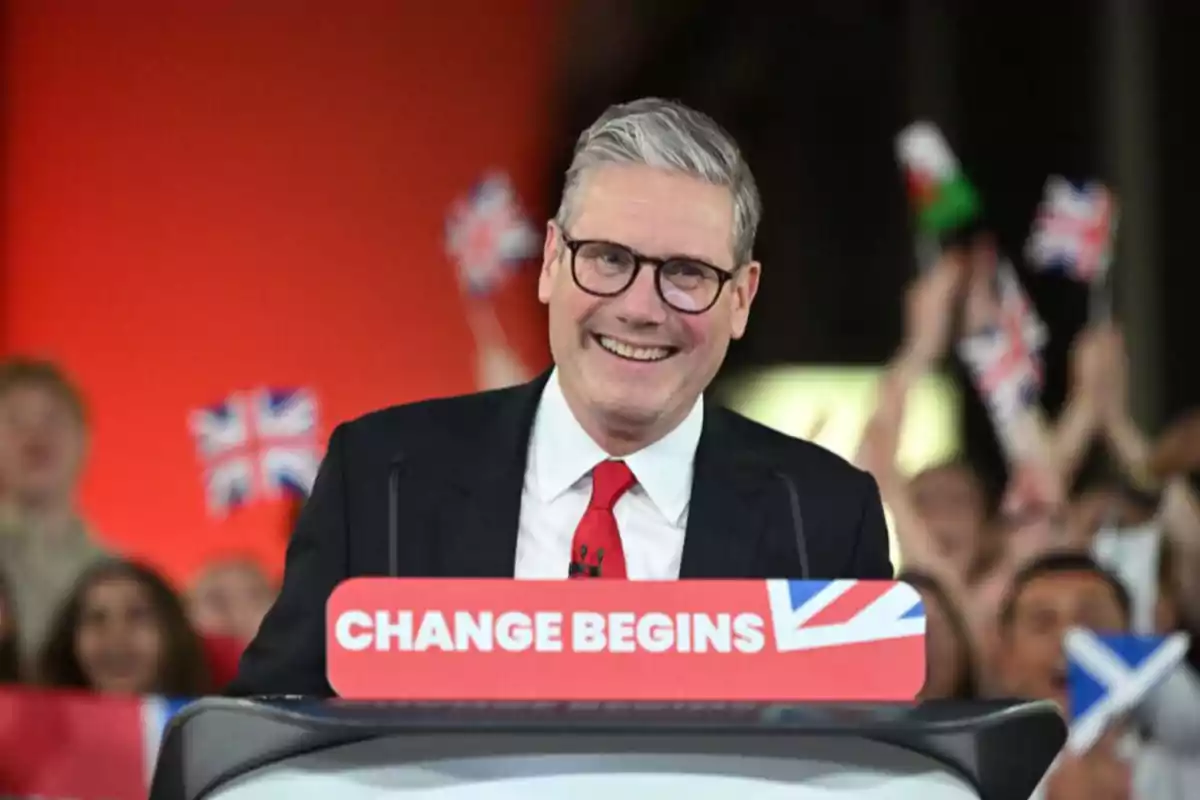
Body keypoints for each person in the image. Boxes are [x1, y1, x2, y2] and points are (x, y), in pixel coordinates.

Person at [230, 97, 892, 697]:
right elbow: (266, 734)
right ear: (551, 260)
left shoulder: (826, 518)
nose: (638, 307)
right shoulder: (381, 479)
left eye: (686, 273)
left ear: (742, 297)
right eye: (607, 258)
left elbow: (867, 773)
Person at [0, 360, 108, 670]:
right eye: (15, 420)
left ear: (84, 439)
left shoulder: (117, 575)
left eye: (53, 418)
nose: (35, 435)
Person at [38, 559, 210, 697]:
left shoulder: (208, 730)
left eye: (137, 615)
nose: (117, 635)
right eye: (97, 618)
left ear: (172, 633)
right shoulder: (36, 731)